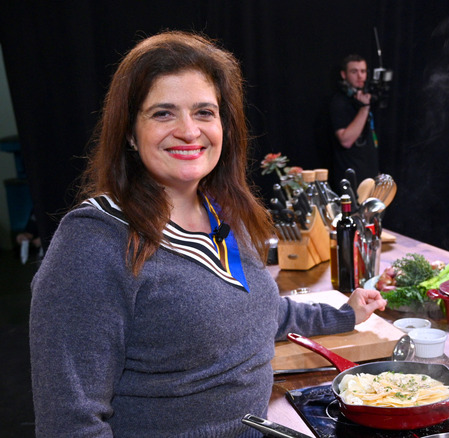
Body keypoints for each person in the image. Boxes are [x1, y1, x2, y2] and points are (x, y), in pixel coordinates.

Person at [28, 31, 387, 437]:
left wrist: (345, 314)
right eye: (163, 113)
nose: (188, 130)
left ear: (223, 126)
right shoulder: (93, 244)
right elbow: (69, 425)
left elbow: (255, 312)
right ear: (129, 132)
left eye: (204, 112)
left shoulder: (225, 213)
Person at [330, 54, 380, 184]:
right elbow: (346, 141)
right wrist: (364, 108)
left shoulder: (364, 98)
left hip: (370, 174)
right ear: (344, 74)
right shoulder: (339, 102)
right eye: (354, 71)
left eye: (363, 71)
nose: (360, 76)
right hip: (351, 178)